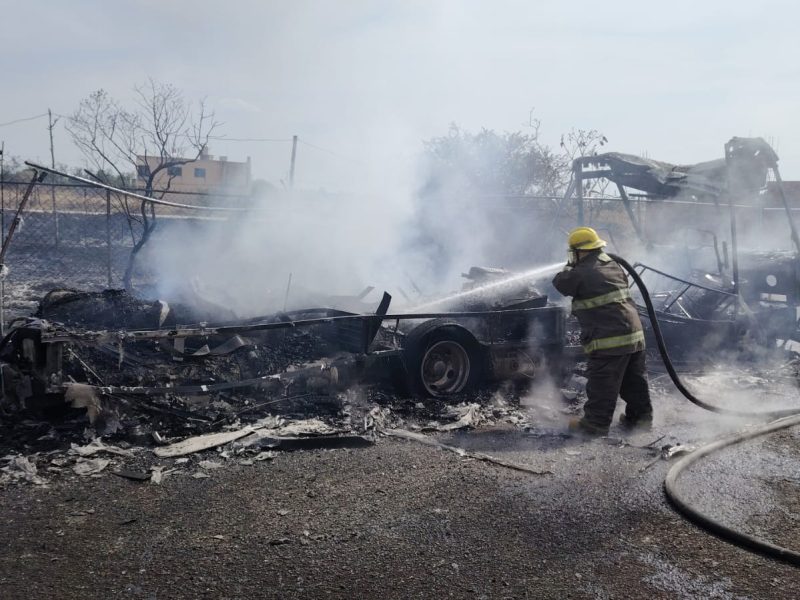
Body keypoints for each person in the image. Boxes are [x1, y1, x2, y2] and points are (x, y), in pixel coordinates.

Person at [552, 227, 653, 435]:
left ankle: (594, 425)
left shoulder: (581, 272)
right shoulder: (613, 265)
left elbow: (560, 283)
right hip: (633, 334)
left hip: (610, 338)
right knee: (633, 381)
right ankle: (640, 420)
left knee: (602, 383)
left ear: (580, 251)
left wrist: (568, 266)